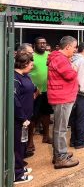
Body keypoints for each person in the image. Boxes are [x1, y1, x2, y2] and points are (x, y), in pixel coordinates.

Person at [47, 36, 79, 169]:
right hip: (62, 98)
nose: (75, 50)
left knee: (59, 128)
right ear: (67, 47)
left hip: (61, 97)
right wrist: (74, 69)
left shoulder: (59, 58)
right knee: (61, 129)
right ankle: (61, 158)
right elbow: (70, 75)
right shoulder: (61, 59)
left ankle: (59, 153)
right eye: (74, 47)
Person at [28, 37, 53, 160]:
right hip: (34, 92)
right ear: (35, 45)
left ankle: (46, 136)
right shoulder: (31, 56)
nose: (43, 45)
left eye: (44, 43)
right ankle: (30, 141)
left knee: (46, 114)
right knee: (33, 116)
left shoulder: (49, 55)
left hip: (47, 90)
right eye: (40, 43)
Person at [14, 47, 35, 184]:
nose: (32, 67)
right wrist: (23, 118)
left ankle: (20, 166)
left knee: (22, 144)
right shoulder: (15, 79)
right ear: (24, 64)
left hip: (26, 118)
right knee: (18, 145)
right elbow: (14, 101)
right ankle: (17, 174)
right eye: (31, 65)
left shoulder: (25, 75)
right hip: (19, 119)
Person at [69, 42, 84, 147]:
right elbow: (83, 79)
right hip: (81, 94)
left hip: (74, 93)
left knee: (75, 118)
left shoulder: (74, 59)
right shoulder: (82, 61)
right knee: (82, 118)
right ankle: (80, 141)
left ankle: (74, 140)